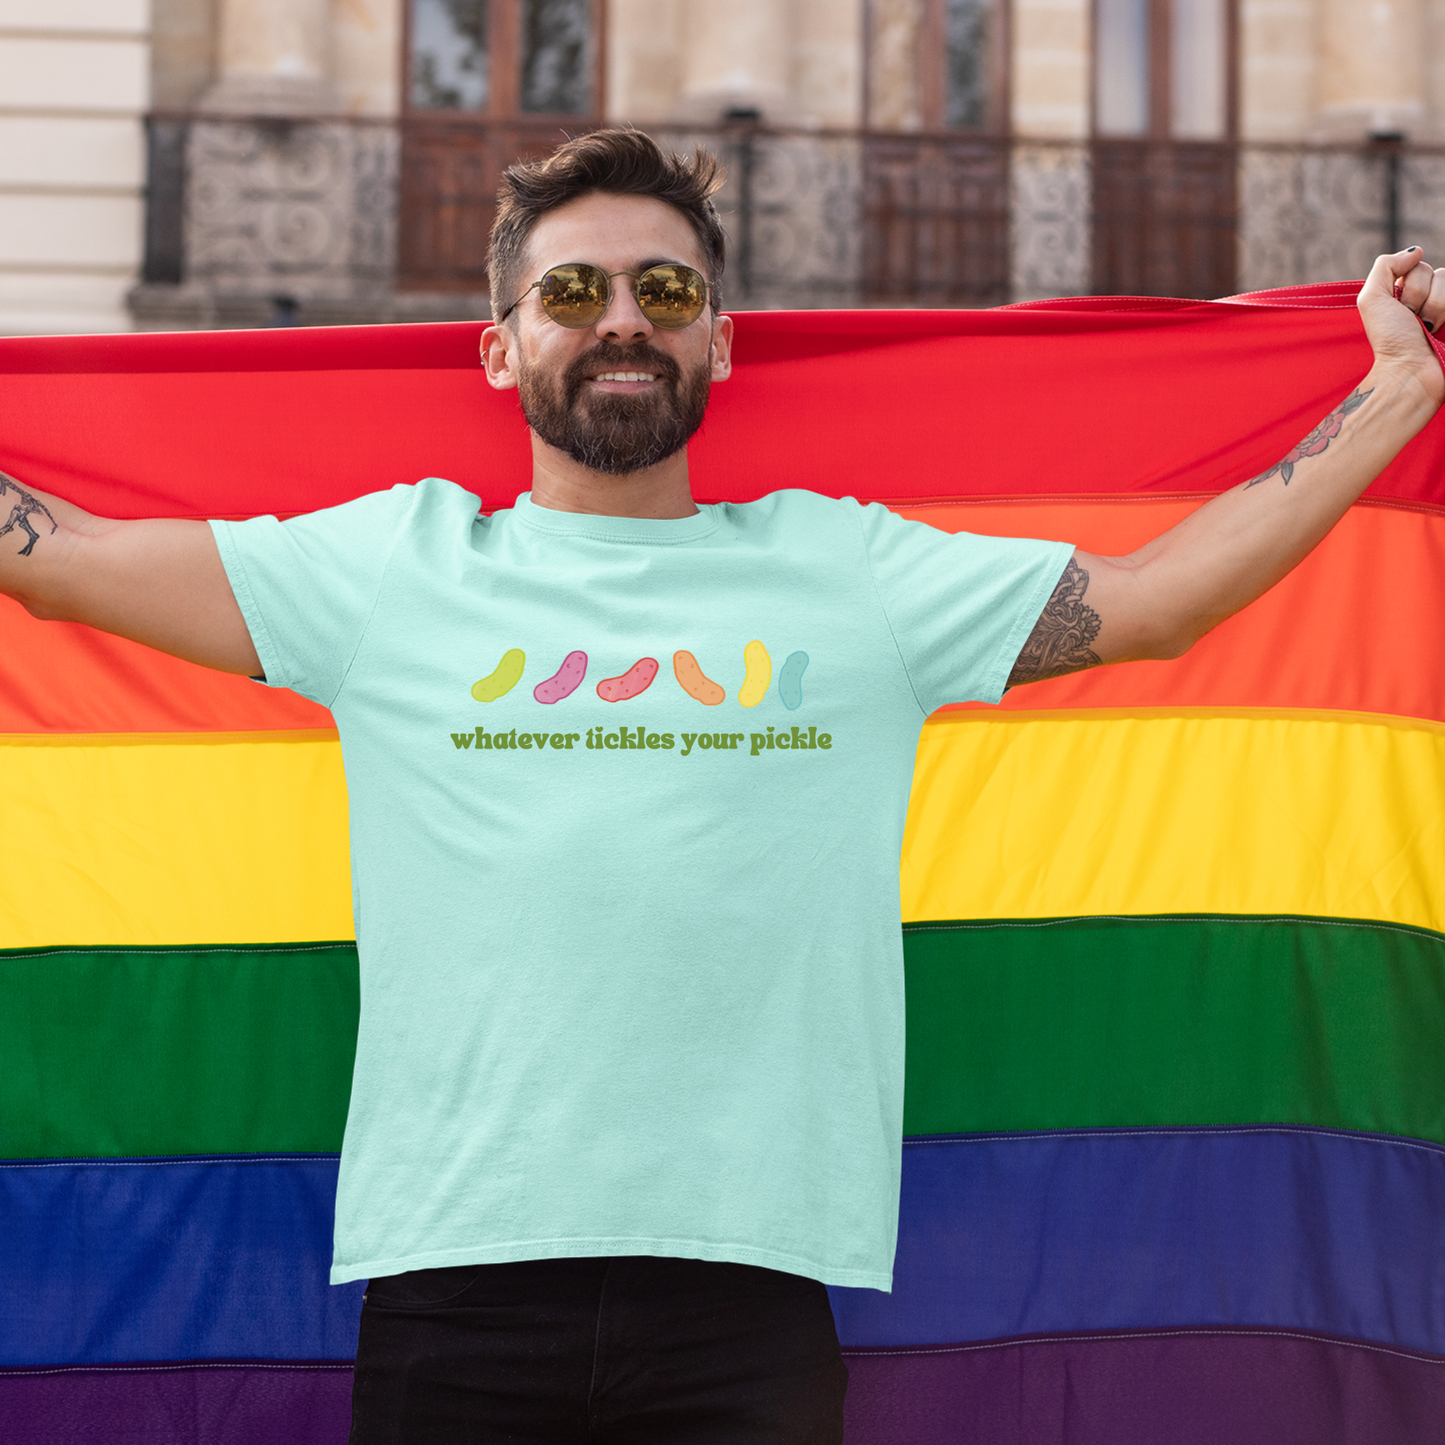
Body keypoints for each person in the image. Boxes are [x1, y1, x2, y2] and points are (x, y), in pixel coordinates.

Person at [2, 129, 1443, 1444]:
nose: (621, 318)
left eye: (664, 291)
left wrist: (1395, 393)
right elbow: (62, 560)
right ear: (502, 349)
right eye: (572, 289)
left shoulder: (848, 572)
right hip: (455, 1291)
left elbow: (1158, 601)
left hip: (747, 1303)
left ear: (721, 341)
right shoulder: (390, 571)